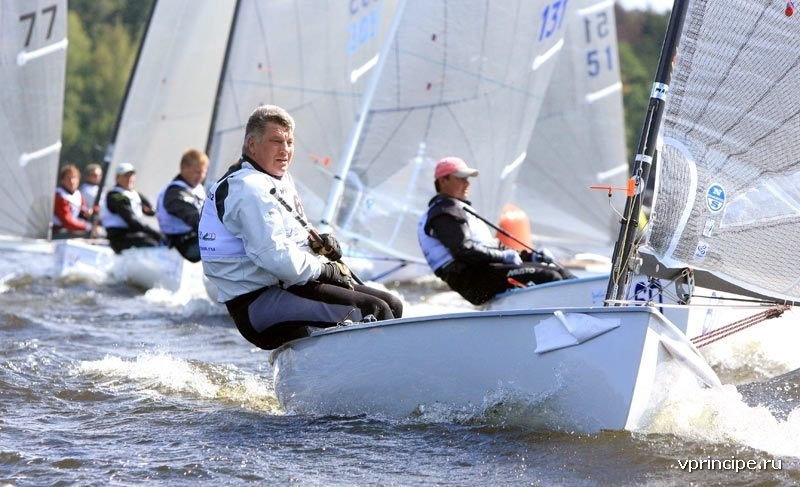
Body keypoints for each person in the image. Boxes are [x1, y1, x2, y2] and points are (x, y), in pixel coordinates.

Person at [199, 104, 403, 350]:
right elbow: (274, 256)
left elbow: (290, 236)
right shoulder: (248, 189)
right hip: (258, 303)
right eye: (276, 141)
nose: (285, 150)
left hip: (287, 286)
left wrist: (318, 243)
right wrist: (325, 270)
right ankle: (382, 370)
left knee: (392, 304)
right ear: (252, 145)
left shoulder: (274, 179)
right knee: (375, 310)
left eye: (289, 142)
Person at [418, 156, 575, 305]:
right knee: (550, 275)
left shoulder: (455, 209)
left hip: (485, 272)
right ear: (443, 181)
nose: (467, 183)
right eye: (461, 178)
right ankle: (570, 311)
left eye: (467, 179)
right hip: (475, 281)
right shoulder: (444, 212)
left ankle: (583, 302)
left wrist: (530, 256)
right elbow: (464, 251)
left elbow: (491, 247)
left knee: (557, 269)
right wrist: (504, 256)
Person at [155, 149, 209, 262]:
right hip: (180, 245)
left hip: (196, 238)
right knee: (224, 246)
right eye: (197, 172)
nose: (201, 176)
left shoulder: (198, 188)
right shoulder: (174, 193)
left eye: (204, 172)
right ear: (184, 168)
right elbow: (193, 217)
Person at [101, 162, 165, 253]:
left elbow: (150, 210)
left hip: (133, 233)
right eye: (125, 176)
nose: (129, 179)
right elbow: (131, 219)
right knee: (150, 242)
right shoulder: (115, 195)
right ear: (117, 178)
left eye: (131, 175)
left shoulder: (135, 194)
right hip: (119, 238)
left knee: (159, 240)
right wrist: (156, 234)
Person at [52, 164, 94, 239]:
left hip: (70, 230)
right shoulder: (59, 196)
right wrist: (88, 227)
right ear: (62, 180)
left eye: (74, 178)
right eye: (68, 178)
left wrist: (91, 212)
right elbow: (67, 222)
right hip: (57, 232)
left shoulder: (78, 194)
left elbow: (82, 211)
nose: (72, 181)